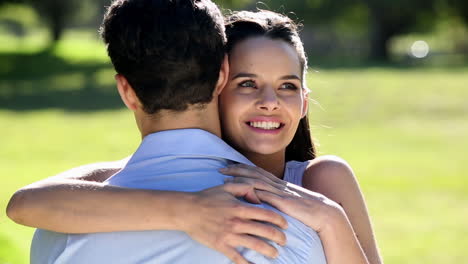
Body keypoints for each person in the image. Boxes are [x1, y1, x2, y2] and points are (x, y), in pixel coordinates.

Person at [7, 2, 382, 264]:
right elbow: (25, 203)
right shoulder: (114, 182)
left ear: (304, 102)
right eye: (248, 83)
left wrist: (331, 218)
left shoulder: (320, 186)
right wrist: (188, 211)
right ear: (219, 82)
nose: (270, 102)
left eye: (287, 86)